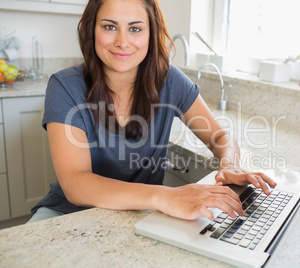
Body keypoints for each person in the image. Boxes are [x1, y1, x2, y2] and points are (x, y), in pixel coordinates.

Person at [28, 0, 277, 223]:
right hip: (67, 215)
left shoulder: (170, 80)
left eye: (135, 28)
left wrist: (229, 163)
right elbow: (75, 184)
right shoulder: (65, 86)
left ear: (150, 33)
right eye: (109, 26)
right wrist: (166, 196)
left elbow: (221, 138)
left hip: (139, 217)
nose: (122, 41)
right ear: (92, 30)